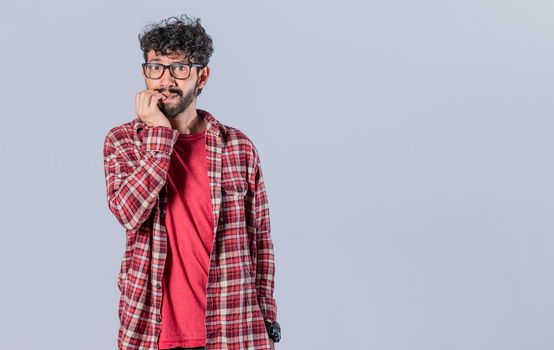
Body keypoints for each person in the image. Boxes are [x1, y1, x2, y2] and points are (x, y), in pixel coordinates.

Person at [102, 14, 280, 350]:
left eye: (179, 68)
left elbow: (261, 241)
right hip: (152, 330)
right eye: (156, 66)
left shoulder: (238, 148)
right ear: (145, 73)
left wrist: (267, 318)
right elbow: (129, 213)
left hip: (233, 327)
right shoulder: (124, 141)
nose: (165, 79)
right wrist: (158, 135)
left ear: (202, 77)